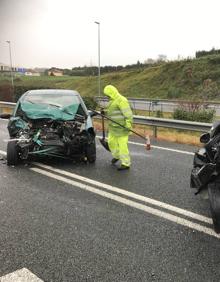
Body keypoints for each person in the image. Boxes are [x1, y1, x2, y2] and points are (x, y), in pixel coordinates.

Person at [103, 85, 133, 171]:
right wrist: (104, 112)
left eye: (107, 94)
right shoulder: (112, 101)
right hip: (113, 128)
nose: (107, 96)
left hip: (122, 128)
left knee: (122, 146)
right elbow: (112, 112)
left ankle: (126, 163)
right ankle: (117, 156)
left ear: (112, 92)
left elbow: (128, 114)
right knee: (111, 143)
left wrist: (128, 125)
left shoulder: (121, 100)